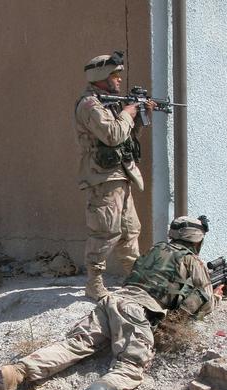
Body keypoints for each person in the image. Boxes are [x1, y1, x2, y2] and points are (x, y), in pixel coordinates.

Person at [0, 215, 217, 390]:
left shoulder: (155, 250)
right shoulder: (192, 260)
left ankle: (18, 371)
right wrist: (217, 294)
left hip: (112, 300)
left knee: (75, 344)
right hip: (137, 311)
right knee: (130, 366)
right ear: (197, 240)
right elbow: (204, 301)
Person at [74, 50, 156, 301]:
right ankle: (94, 282)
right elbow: (111, 135)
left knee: (130, 229)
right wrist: (128, 113)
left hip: (121, 174)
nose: (119, 79)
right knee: (105, 230)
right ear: (101, 76)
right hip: (103, 176)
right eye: (114, 74)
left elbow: (126, 139)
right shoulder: (90, 105)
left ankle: (134, 278)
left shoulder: (110, 102)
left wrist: (141, 117)